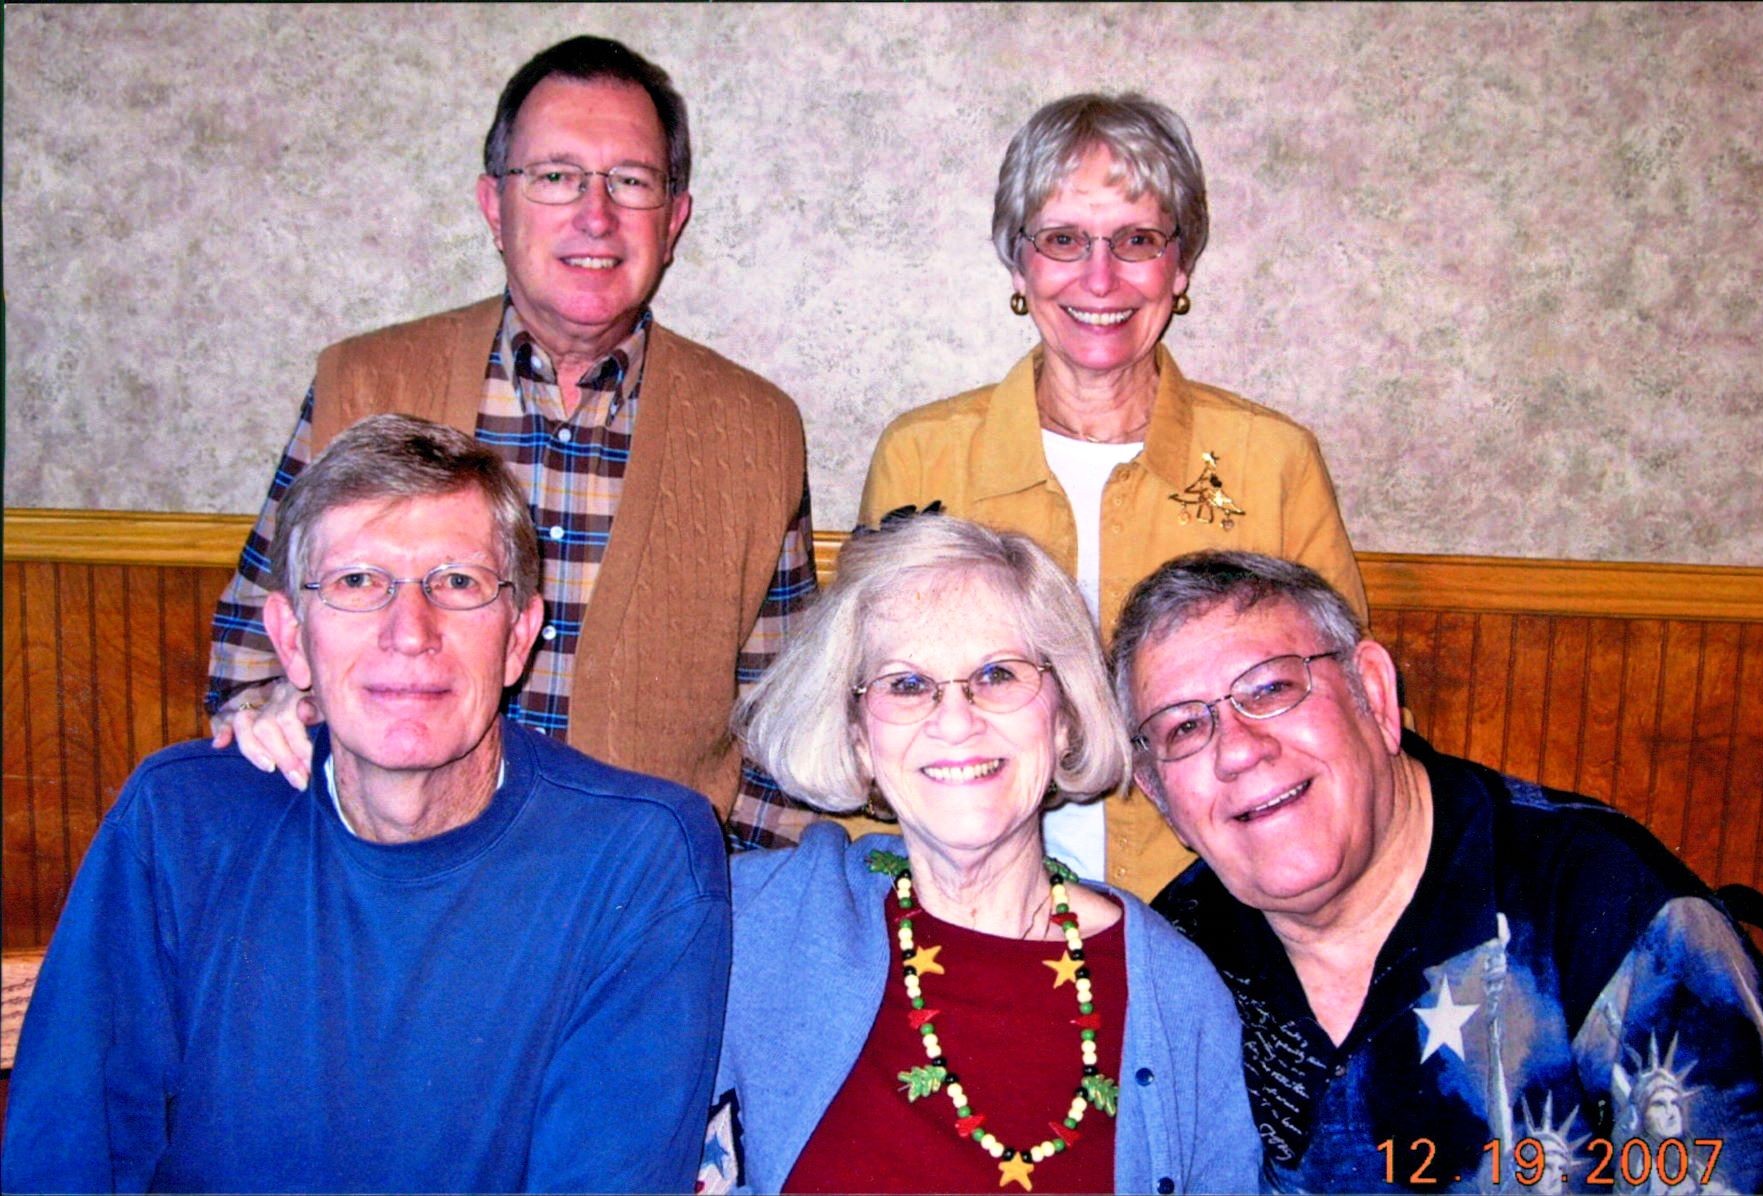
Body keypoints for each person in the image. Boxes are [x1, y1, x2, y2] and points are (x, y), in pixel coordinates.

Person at [2, 416, 731, 1193]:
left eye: (458, 583)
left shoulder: (639, 858)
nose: (409, 633)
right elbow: (66, 1158)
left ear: (519, 638)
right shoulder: (182, 820)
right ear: (291, 639)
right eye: (356, 582)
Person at [207, 35, 816, 848]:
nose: (595, 215)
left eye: (631, 181)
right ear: (495, 207)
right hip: (389, 880)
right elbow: (251, 662)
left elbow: (788, 729)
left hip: (636, 899)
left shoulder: (756, 431)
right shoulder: (364, 385)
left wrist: (727, 895)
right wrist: (269, 711)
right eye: (556, 176)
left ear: (673, 222)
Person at [1111, 550, 1763, 1193]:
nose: (1237, 750)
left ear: (1374, 694)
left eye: (1270, 689)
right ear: (1160, 795)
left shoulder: (1611, 913)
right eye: (1183, 728)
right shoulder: (1168, 962)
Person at [858, 92, 1365, 901]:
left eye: (1137, 240)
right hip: (972, 897)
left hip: (1217, 898)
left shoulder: (1270, 461)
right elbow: (874, 710)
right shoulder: (923, 457)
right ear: (1019, 263)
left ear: (1180, 265)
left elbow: (1343, 722)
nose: (1100, 278)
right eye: (1064, 240)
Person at [706, 514, 1260, 1194]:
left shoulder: (1174, 995)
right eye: (907, 684)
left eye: (997, 674)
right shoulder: (754, 923)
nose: (956, 720)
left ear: (1064, 718)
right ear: (857, 739)